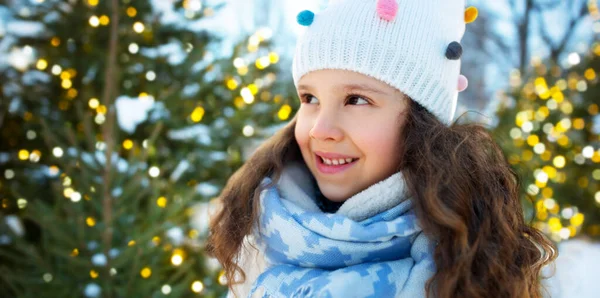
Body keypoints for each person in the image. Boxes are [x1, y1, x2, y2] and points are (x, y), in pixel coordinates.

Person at [206, 0, 557, 297]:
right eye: (309, 98)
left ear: (423, 124)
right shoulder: (256, 235)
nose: (320, 129)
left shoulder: (465, 264)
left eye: (356, 99)